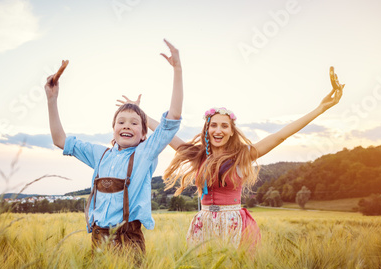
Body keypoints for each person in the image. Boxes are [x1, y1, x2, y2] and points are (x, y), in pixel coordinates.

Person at [120, 68, 344, 250]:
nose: (218, 130)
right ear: (207, 129)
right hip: (203, 224)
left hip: (234, 224)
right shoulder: (199, 156)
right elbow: (166, 134)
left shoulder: (241, 156)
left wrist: (320, 108)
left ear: (231, 131)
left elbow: (280, 135)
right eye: (213, 125)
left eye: (224, 126)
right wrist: (141, 114)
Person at [44, 39, 183, 253]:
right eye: (121, 122)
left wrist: (177, 69)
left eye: (135, 123)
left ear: (144, 133)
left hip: (129, 238)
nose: (127, 126)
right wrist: (52, 100)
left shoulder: (145, 153)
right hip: (99, 237)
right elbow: (60, 140)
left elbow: (172, 118)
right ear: (113, 129)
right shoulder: (100, 154)